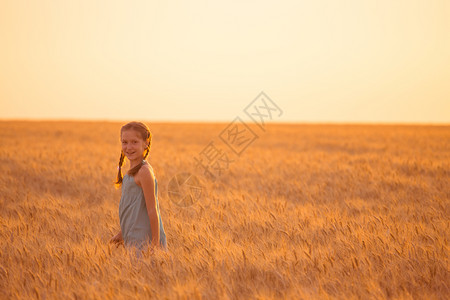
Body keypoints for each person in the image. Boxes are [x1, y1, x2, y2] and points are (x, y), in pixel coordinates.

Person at [110, 121, 167, 255]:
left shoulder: (144, 172)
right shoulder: (131, 173)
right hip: (132, 238)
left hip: (145, 241)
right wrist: (121, 234)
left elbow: (153, 210)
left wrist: (155, 244)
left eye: (134, 142)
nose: (129, 147)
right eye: (125, 142)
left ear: (146, 143)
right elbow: (133, 210)